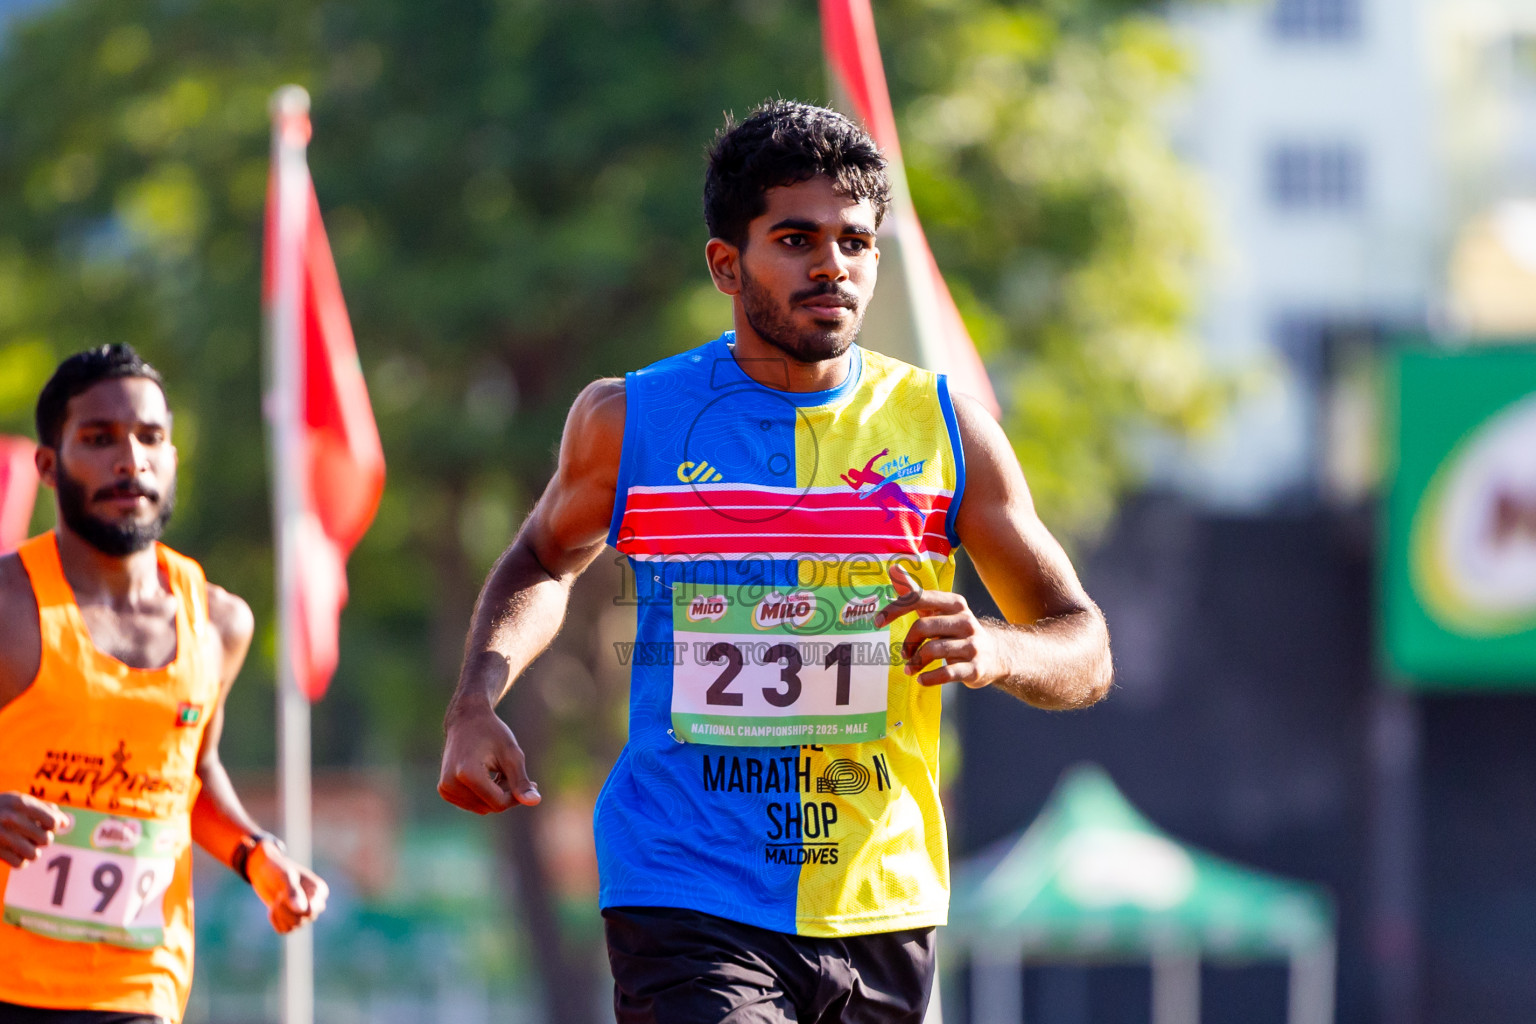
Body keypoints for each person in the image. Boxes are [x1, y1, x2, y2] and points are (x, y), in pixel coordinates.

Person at [439, 100, 1113, 1023]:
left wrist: (996, 651)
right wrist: (477, 701)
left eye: (855, 241)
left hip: (881, 899)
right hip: (687, 887)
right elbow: (542, 560)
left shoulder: (948, 432)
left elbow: (1084, 645)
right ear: (727, 263)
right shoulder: (628, 420)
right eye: (796, 238)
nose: (831, 263)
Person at [0, 345, 328, 1024]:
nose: (130, 460)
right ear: (46, 465)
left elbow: (193, 774)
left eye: (151, 437)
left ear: (174, 456)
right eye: (98, 439)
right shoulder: (8, 608)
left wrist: (257, 856)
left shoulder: (220, 621)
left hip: (139, 986)